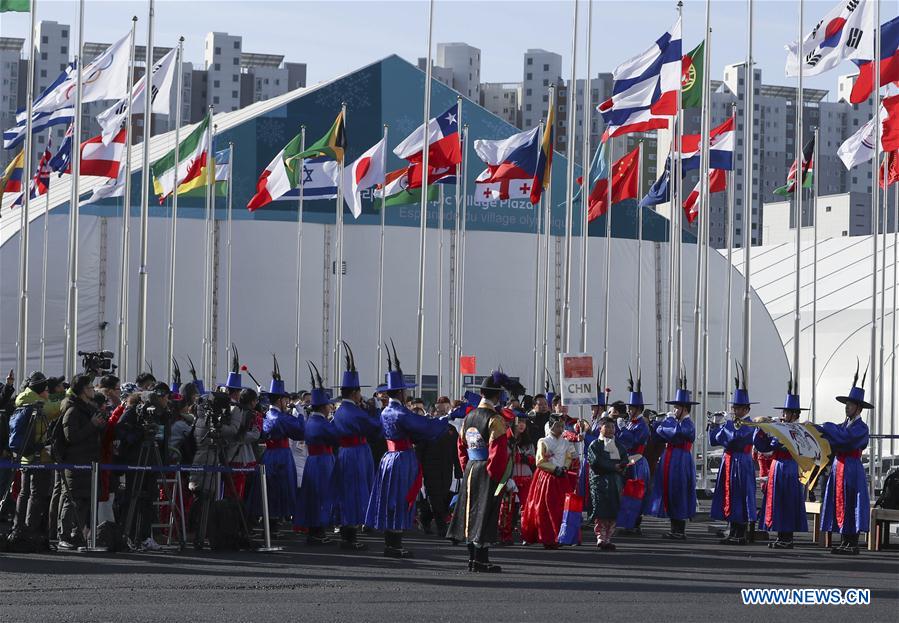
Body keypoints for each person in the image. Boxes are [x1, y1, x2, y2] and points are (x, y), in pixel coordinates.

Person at [365, 341, 449, 558]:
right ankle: (394, 545)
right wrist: (446, 419)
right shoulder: (402, 413)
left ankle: (391, 543)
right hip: (402, 458)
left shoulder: (385, 412)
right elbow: (425, 427)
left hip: (389, 457)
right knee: (401, 498)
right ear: (401, 392)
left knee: (391, 499)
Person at [446, 371, 517, 572]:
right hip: (488, 470)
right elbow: (498, 451)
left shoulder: (469, 416)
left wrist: (467, 466)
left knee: (470, 512)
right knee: (486, 513)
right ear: (496, 396)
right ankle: (481, 559)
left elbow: (461, 447)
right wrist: (497, 476)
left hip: (471, 467)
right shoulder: (495, 419)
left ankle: (472, 558)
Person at [816, 366, 872, 555]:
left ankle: (852, 541)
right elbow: (832, 438)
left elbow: (844, 438)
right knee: (839, 501)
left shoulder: (861, 428)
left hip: (851, 468)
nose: (846, 407)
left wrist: (825, 427)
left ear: (858, 407)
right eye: (846, 404)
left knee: (851, 502)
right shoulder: (842, 426)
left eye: (850, 404)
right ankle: (844, 540)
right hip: (838, 467)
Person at [331, 343, 382, 550]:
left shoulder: (340, 410)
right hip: (357, 453)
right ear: (355, 392)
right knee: (354, 492)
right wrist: (377, 410)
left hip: (345, 452)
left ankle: (347, 533)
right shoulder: (354, 412)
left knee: (346, 492)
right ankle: (350, 536)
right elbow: (375, 428)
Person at [249, 357, 305, 531]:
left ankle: (272, 523)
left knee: (270, 489)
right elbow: (299, 432)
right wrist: (301, 415)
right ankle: (274, 524)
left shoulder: (269, 414)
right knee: (280, 488)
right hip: (281, 455)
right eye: (285, 399)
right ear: (280, 400)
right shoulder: (281, 417)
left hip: (269, 454)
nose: (287, 402)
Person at [115, 383, 171, 550]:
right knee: (133, 497)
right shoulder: (135, 410)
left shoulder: (161, 414)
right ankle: (128, 535)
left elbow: (162, 439)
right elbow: (121, 430)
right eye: (165, 397)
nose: (167, 401)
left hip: (152, 461)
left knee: (149, 499)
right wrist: (140, 432)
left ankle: (145, 536)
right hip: (136, 461)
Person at [753, 381, 809, 549]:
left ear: (794, 414)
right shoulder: (780, 428)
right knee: (777, 500)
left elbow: (795, 447)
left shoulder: (800, 429)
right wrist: (761, 429)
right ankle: (780, 535)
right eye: (783, 412)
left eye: (786, 412)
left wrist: (778, 436)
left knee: (788, 501)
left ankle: (787, 537)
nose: (783, 415)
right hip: (777, 467)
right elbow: (764, 447)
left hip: (791, 467)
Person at [58, 374, 107, 549]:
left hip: (89, 462)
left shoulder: (88, 409)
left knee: (85, 501)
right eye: (90, 387)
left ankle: (77, 535)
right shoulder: (72, 410)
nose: (93, 390)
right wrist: (92, 425)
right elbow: (71, 437)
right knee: (72, 500)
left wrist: (100, 424)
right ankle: (64, 536)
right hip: (75, 462)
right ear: (82, 391)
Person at [708, 370, 757, 545]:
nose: (734, 410)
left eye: (737, 408)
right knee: (728, 495)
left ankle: (740, 533)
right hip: (729, 461)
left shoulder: (749, 424)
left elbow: (735, 438)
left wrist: (727, 424)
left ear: (746, 409)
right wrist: (714, 424)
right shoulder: (733, 424)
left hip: (741, 462)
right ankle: (732, 530)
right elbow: (715, 440)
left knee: (740, 496)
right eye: (734, 407)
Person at [11, 371, 62, 539]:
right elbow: (55, 409)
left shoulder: (23, 398)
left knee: (24, 493)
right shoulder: (36, 403)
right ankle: (29, 530)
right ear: (41, 390)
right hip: (37, 454)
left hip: (25, 453)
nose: (48, 392)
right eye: (46, 389)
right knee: (36, 494)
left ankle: (18, 528)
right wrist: (69, 396)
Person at [648, 378, 698, 540]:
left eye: (676, 407)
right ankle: (674, 527)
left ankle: (679, 529)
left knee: (679, 491)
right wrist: (659, 424)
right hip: (669, 458)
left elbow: (676, 434)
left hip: (681, 460)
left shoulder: (688, 424)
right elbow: (658, 436)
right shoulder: (675, 422)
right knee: (668, 490)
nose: (674, 410)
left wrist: (667, 422)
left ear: (684, 408)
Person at [295, 362, 339, 545]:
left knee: (313, 496)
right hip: (322, 461)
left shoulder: (311, 421)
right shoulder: (321, 423)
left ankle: (315, 530)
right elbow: (335, 437)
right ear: (323, 407)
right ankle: (318, 531)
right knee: (322, 495)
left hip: (314, 461)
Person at [521, 413, 577, 549]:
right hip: (547, 477)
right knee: (545, 507)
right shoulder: (543, 441)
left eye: (562, 426)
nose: (560, 428)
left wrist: (565, 466)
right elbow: (540, 461)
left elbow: (569, 456)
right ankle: (547, 536)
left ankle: (562, 535)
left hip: (562, 477)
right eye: (557, 426)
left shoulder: (565, 442)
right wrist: (554, 468)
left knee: (562, 507)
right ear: (551, 426)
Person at [616, 375, 651, 535]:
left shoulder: (642, 425)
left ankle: (635, 524)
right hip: (628, 460)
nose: (629, 411)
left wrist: (622, 429)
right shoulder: (630, 422)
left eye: (631, 408)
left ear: (638, 409)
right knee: (626, 492)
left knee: (636, 491)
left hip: (637, 461)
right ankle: (627, 522)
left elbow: (632, 441)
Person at [587, 417, 628, 550]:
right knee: (601, 511)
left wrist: (623, 465)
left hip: (615, 483)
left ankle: (608, 539)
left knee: (613, 511)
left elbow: (624, 460)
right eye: (607, 426)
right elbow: (595, 463)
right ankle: (600, 537)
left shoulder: (619, 446)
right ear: (600, 428)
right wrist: (613, 467)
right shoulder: (595, 445)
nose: (610, 429)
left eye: (612, 427)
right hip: (599, 482)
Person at [498, 410, 535, 545]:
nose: (522, 425)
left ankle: (527, 534)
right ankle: (505, 535)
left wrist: (524, 458)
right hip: (510, 477)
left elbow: (533, 458)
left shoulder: (528, 442)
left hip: (526, 477)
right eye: (519, 421)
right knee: (507, 507)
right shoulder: (506, 440)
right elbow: (503, 458)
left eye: (524, 422)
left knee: (527, 507)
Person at [224, 388, 261, 500]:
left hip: (229, 455)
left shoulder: (230, 410)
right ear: (252, 401)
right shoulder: (253, 415)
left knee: (231, 490)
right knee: (239, 492)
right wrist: (238, 437)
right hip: (242, 457)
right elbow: (255, 435)